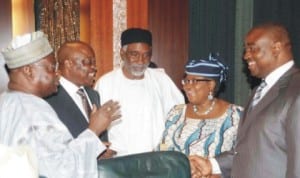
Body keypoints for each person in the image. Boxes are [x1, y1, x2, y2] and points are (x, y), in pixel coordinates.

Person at [0, 31, 121, 178]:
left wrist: (94, 149)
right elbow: (62, 170)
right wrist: (93, 130)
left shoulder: (8, 101)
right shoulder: (32, 111)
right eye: (51, 68)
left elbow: (46, 158)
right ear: (28, 71)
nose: (57, 74)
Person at [192, 22, 300, 178]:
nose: (246, 56)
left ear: (276, 48)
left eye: (252, 48)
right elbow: (249, 150)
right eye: (246, 50)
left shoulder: (296, 90)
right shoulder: (260, 90)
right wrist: (212, 165)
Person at [94, 28, 185, 156]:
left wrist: (165, 146)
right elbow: (95, 122)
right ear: (122, 54)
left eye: (146, 55)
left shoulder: (161, 80)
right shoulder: (106, 83)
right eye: (134, 54)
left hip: (156, 158)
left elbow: (178, 116)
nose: (141, 61)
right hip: (118, 161)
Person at [158, 54, 243, 178]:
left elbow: (244, 157)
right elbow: (163, 147)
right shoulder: (176, 113)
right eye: (186, 80)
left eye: (194, 81)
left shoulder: (236, 116)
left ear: (211, 85)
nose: (187, 86)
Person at [44, 41, 114, 158]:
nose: (94, 68)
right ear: (68, 64)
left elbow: (99, 138)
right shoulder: (49, 98)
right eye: (87, 62)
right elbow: (51, 147)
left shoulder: (93, 95)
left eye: (94, 62)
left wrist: (102, 150)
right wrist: (92, 153)